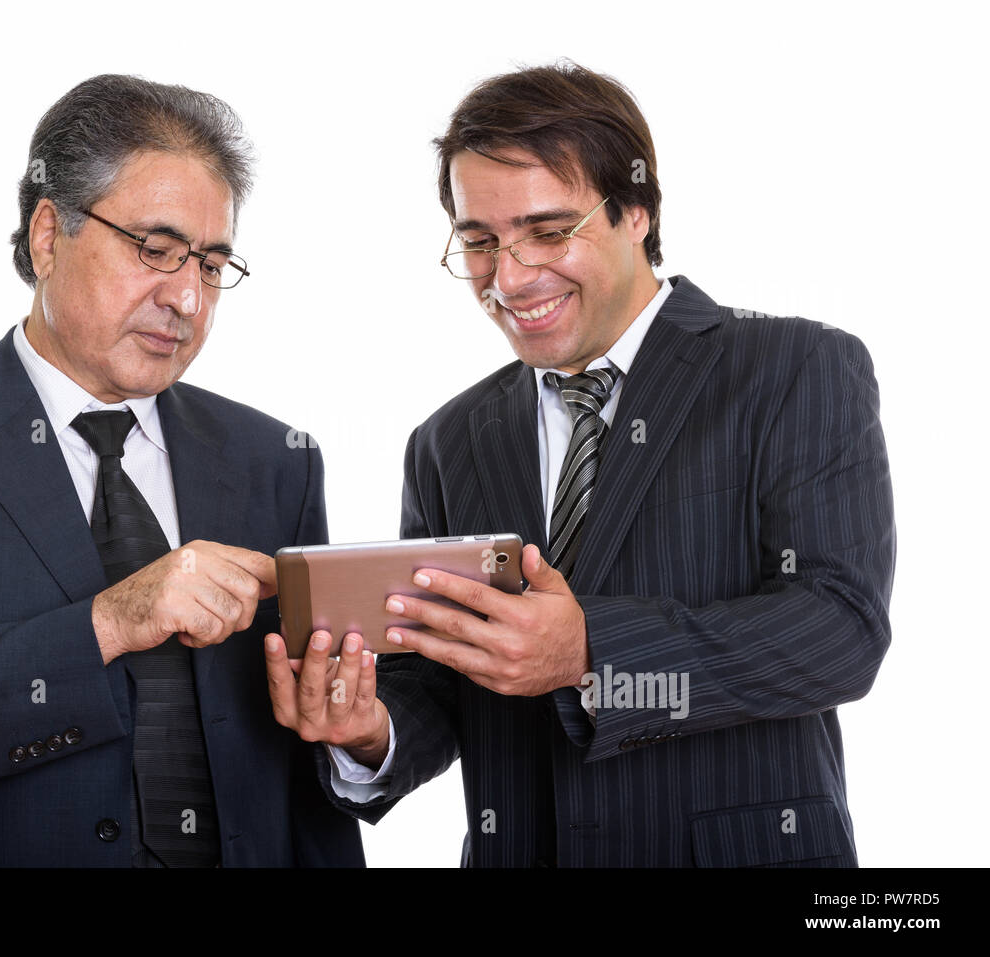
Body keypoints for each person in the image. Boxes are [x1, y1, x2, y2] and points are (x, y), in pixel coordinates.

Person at [265, 61, 894, 867]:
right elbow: (439, 684)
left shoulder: (795, 368)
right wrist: (369, 730)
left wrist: (591, 651)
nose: (512, 277)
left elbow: (839, 630)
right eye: (480, 242)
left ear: (635, 209)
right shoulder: (445, 440)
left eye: (549, 231)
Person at [0, 74, 363, 867]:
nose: (188, 299)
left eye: (210, 264)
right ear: (48, 236)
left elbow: (308, 783)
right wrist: (109, 621)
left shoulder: (276, 459)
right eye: (156, 250)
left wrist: (358, 736)